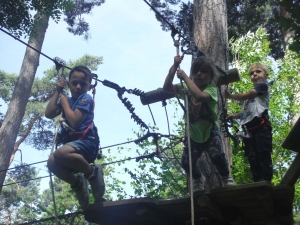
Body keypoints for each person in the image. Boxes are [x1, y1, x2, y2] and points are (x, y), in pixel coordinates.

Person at [163, 55, 235, 191]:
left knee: (217, 155)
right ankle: (197, 178)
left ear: (211, 76)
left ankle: (226, 176)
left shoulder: (211, 89)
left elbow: (200, 97)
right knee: (186, 162)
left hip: (210, 131)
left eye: (203, 71)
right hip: (193, 133)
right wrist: (174, 67)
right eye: (196, 71)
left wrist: (185, 78)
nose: (199, 74)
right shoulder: (185, 88)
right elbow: (167, 88)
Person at [45, 65, 105, 209]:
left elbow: (75, 121)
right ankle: (78, 183)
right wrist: (57, 92)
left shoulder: (86, 98)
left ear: (89, 87)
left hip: (88, 143)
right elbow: (49, 113)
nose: (78, 86)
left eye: (83, 84)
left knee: (61, 153)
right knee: (52, 163)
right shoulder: (69, 101)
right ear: (68, 84)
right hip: (74, 147)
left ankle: (92, 173)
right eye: (74, 83)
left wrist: (64, 103)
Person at [225, 62, 273, 182]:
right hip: (249, 130)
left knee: (263, 153)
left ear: (266, 75)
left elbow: (246, 95)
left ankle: (266, 180)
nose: (254, 74)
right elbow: (244, 114)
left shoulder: (262, 86)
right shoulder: (249, 99)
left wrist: (230, 96)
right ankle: (257, 180)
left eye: (258, 72)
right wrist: (233, 116)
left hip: (261, 127)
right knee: (252, 156)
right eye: (252, 73)